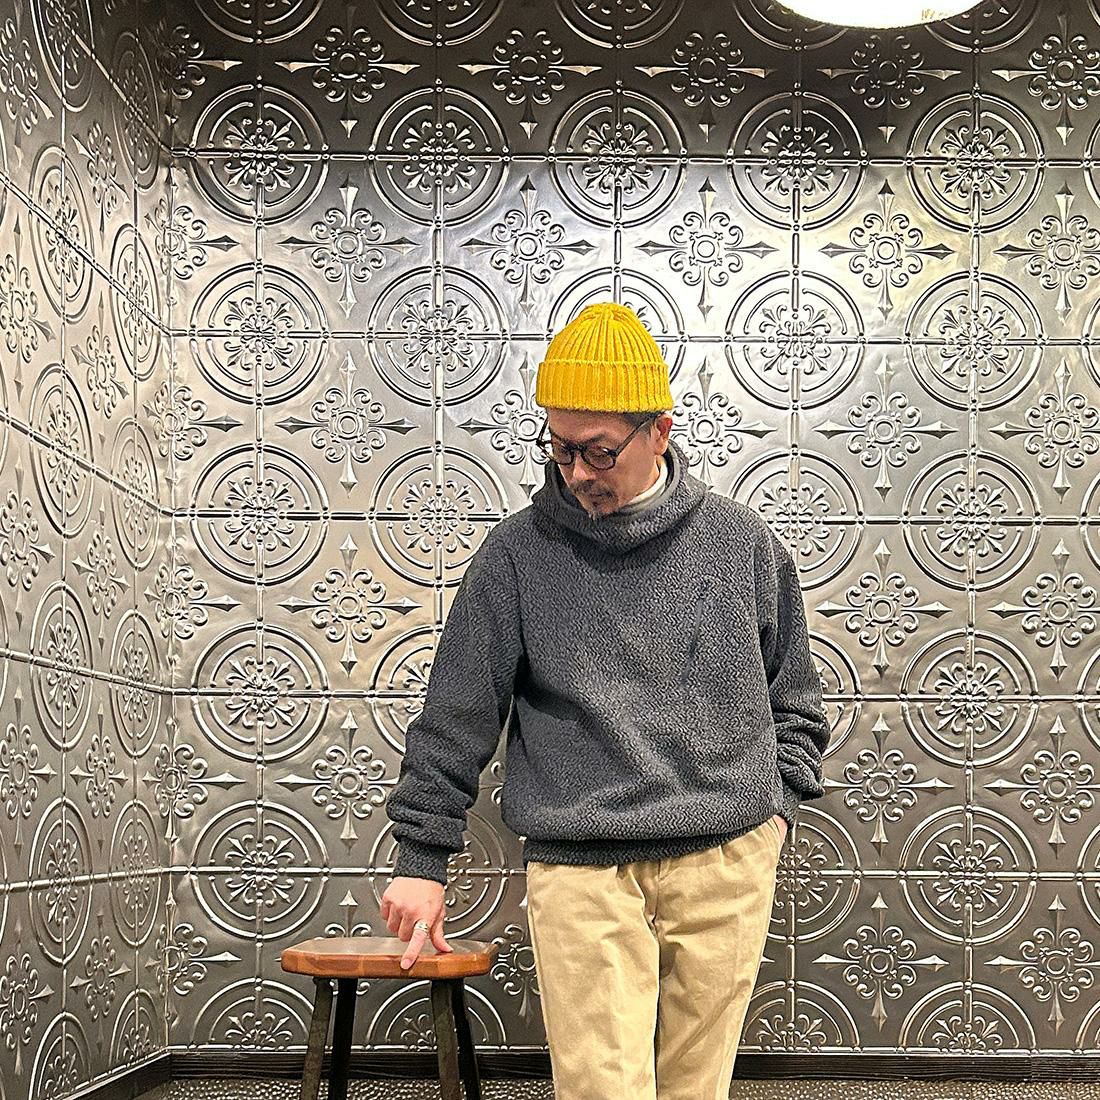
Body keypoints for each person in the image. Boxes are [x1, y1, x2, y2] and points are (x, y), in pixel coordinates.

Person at [381, 301, 831, 1099]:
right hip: (580, 867)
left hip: (725, 858)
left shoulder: (742, 544)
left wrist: (774, 816)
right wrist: (422, 860)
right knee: (600, 1091)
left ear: (659, 432)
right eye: (559, 449)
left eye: (598, 451)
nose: (577, 473)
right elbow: (456, 715)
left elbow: (795, 703)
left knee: (697, 1092)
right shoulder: (516, 554)